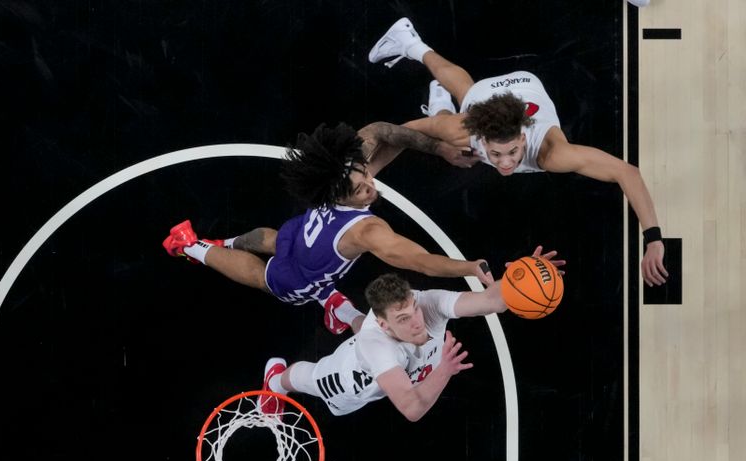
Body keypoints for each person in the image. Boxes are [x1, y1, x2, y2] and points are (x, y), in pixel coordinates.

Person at [367, 17, 668, 287]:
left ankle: (437, 97)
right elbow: (396, 132)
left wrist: (653, 239)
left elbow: (626, 172)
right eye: (495, 155)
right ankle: (410, 43)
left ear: (523, 137)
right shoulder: (464, 128)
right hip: (482, 98)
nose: (506, 163)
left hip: (528, 83)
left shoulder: (552, 153)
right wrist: (372, 173)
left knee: (462, 102)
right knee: (459, 105)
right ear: (481, 138)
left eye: (512, 151)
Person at [162, 122, 488, 336]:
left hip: (300, 232)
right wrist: (469, 267)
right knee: (262, 277)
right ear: (338, 195)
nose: (370, 189)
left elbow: (383, 133)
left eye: (365, 177)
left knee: (275, 239)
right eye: (360, 190)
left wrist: (439, 148)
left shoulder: (338, 172)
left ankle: (226, 242)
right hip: (300, 276)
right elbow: (421, 261)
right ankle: (190, 246)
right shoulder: (366, 231)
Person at [259, 262, 552, 421]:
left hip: (390, 352)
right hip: (350, 377)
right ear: (384, 323)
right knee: (315, 383)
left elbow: (491, 300)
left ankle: (341, 309)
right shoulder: (376, 343)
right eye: (403, 318)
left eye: (413, 309)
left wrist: (525, 277)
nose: (416, 321)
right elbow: (412, 409)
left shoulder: (428, 304)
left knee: (392, 334)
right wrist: (444, 370)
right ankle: (273, 380)